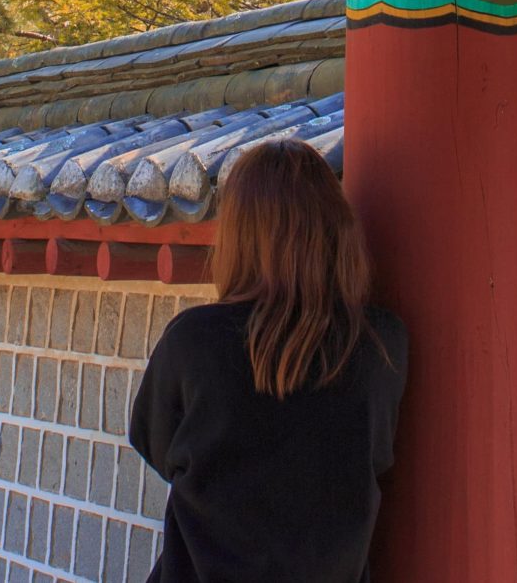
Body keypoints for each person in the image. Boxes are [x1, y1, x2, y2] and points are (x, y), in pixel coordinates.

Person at [127, 138, 409, 583]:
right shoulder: (381, 345)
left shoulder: (194, 341)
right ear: (336, 229)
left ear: (240, 236)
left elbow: (155, 443)